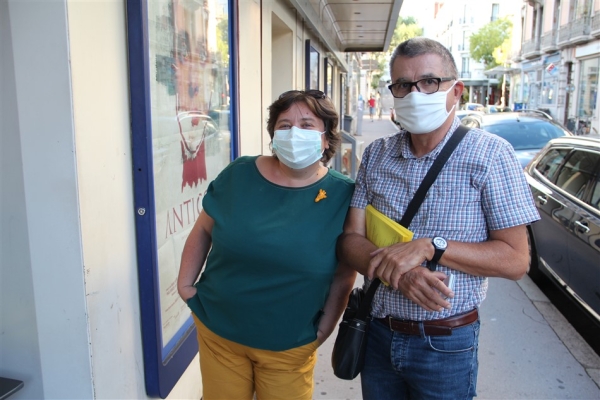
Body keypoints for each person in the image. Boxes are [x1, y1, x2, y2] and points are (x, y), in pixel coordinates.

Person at [336, 37, 540, 399]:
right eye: (403, 84)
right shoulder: (377, 155)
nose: (415, 93)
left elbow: (516, 260)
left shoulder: (491, 155)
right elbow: (350, 241)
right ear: (393, 92)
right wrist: (404, 275)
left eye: (429, 82)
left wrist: (431, 247)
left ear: (456, 90)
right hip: (378, 334)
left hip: (446, 343)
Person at [177, 89, 356, 400]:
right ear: (273, 135)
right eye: (284, 125)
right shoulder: (240, 173)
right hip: (218, 331)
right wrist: (185, 285)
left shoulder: (344, 196)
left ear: (327, 138)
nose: (293, 133)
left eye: (306, 125)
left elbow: (344, 274)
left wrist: (322, 331)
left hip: (288, 345)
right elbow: (203, 228)